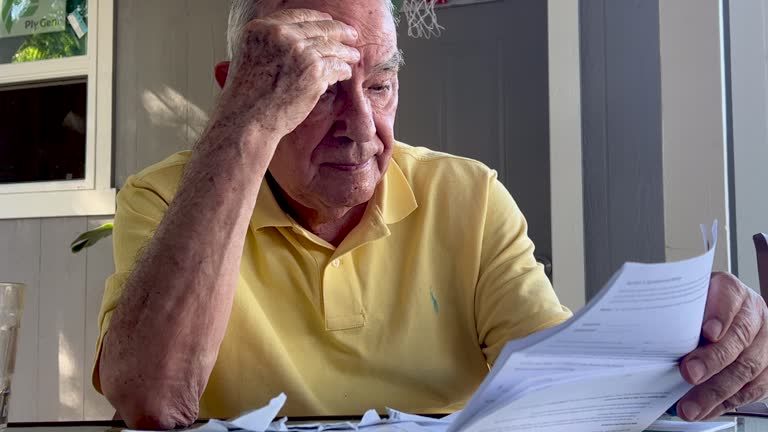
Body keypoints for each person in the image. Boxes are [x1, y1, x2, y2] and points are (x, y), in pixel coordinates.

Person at [93, 0, 768, 429]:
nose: (360, 128)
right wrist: (243, 133)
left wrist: (691, 340)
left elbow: (567, 392)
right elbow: (151, 401)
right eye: (320, 90)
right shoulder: (165, 200)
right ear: (237, 91)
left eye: (380, 85)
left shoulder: (467, 197)